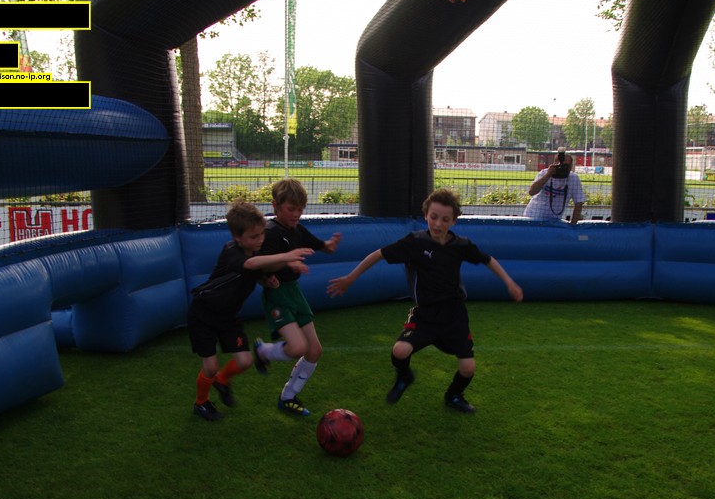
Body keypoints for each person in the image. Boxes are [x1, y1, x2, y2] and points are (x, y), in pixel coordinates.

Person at [326, 188, 523, 414]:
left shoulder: (461, 245)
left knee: (468, 368)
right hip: (425, 314)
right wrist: (351, 278)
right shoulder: (415, 242)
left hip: (454, 316)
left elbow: (488, 260)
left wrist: (509, 282)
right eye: (433, 217)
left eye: (445, 219)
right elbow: (378, 254)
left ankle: (454, 395)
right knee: (400, 351)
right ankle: (404, 376)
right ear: (426, 215)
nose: (438, 224)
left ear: (454, 221)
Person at [187, 201, 313, 421]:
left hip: (228, 317)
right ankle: (201, 403)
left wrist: (269, 279)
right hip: (203, 314)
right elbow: (251, 265)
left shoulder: (256, 252)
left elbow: (260, 272)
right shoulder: (231, 251)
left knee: (245, 361)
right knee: (210, 366)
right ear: (237, 237)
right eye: (254, 237)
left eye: (262, 234)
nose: (260, 239)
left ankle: (222, 380)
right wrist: (286, 257)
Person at [252, 178, 342, 417]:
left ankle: (288, 397)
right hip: (277, 294)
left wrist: (330, 245)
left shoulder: (297, 230)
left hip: (294, 292)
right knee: (299, 346)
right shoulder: (270, 232)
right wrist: (279, 268)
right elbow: (259, 264)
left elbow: (319, 245)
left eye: (300, 210)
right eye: (291, 209)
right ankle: (263, 351)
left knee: (314, 350)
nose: (296, 214)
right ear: (275, 205)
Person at [523, 147, 587, 223]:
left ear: (571, 167)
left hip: (554, 220)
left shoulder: (573, 178)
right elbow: (531, 192)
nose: (562, 168)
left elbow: (579, 203)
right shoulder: (544, 173)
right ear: (554, 164)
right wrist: (548, 175)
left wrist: (573, 225)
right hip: (533, 216)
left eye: (566, 166)